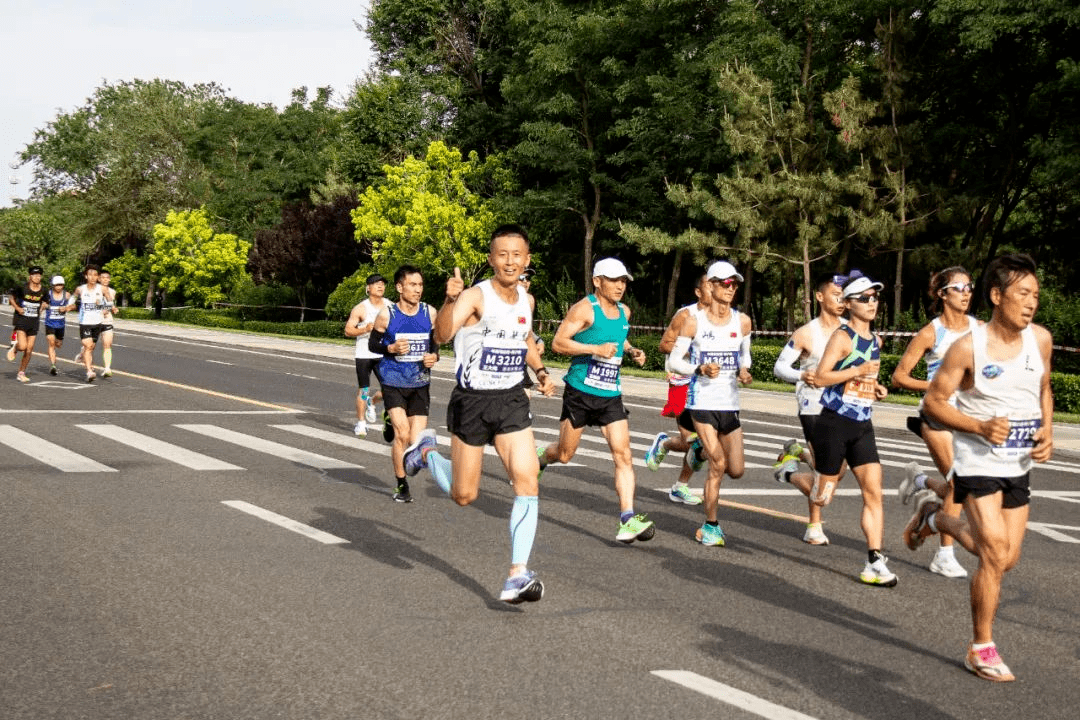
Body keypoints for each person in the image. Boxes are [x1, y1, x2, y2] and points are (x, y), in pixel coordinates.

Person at [903, 253, 1052, 682]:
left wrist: (1047, 431)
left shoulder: (1039, 340)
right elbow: (933, 402)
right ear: (996, 295)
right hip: (977, 460)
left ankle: (935, 516)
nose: (1031, 303)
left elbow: (1043, 388)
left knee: (1008, 558)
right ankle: (980, 647)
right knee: (992, 553)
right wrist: (979, 426)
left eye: (1036, 295)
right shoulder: (967, 347)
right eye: (1023, 293)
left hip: (1018, 462)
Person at [403, 224, 555, 604]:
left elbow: (525, 341)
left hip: (511, 399)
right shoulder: (474, 296)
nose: (509, 261)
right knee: (464, 495)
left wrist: (539, 371)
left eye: (516, 255)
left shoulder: (527, 300)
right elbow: (439, 337)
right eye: (502, 255)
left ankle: (517, 575)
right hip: (471, 401)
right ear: (491, 259)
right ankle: (425, 453)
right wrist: (450, 301)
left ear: (527, 260)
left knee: (528, 481)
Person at [536, 257, 655, 543]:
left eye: (624, 281)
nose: (620, 286)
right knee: (564, 455)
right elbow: (557, 342)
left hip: (610, 394)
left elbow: (619, 338)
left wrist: (632, 350)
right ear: (597, 281)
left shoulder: (625, 311)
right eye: (614, 280)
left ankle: (627, 517)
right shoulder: (584, 309)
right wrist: (594, 349)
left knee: (623, 454)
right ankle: (540, 459)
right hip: (580, 391)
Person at [891, 267, 980, 579]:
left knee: (967, 489)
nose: (967, 292)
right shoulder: (932, 332)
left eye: (969, 286)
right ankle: (944, 555)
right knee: (960, 482)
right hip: (936, 414)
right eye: (959, 287)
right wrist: (935, 388)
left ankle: (922, 487)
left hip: (969, 417)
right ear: (942, 294)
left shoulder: (979, 328)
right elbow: (899, 376)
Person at [810, 272, 894, 586]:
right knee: (822, 499)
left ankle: (874, 558)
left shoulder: (876, 340)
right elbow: (820, 377)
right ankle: (791, 469)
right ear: (848, 305)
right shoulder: (842, 338)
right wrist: (857, 370)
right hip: (834, 423)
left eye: (875, 298)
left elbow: (863, 382)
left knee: (873, 492)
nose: (872, 303)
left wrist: (876, 387)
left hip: (862, 424)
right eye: (864, 299)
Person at [664, 260, 753, 546]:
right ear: (711, 286)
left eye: (734, 284)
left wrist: (743, 370)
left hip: (729, 404)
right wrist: (699, 368)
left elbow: (745, 356)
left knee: (736, 470)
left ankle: (697, 452)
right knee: (719, 463)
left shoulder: (742, 321)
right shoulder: (694, 321)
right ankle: (710, 527)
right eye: (725, 283)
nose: (731, 288)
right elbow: (676, 360)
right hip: (702, 402)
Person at [771, 273, 849, 545]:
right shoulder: (806, 333)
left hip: (843, 407)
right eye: (835, 294)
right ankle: (814, 526)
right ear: (819, 296)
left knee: (837, 472)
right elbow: (779, 368)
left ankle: (791, 465)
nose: (841, 299)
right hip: (813, 405)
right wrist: (802, 376)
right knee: (824, 471)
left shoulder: (850, 330)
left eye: (844, 294)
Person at [367, 265, 439, 503]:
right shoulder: (387, 315)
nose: (418, 290)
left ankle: (387, 417)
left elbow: (435, 341)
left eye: (420, 285)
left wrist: (435, 356)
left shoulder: (430, 312)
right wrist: (390, 348)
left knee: (414, 442)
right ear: (400, 287)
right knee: (402, 435)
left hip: (420, 382)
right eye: (412, 285)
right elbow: (372, 345)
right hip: (393, 380)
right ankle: (401, 485)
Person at [644, 272, 712, 505]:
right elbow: (664, 344)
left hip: (707, 384)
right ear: (698, 291)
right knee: (696, 440)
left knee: (702, 442)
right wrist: (691, 347)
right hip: (683, 379)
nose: (714, 289)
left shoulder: (723, 320)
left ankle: (679, 485)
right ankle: (664, 446)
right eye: (709, 285)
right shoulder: (686, 315)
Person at [344, 274, 388, 437]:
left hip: (382, 354)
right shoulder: (361, 308)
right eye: (376, 284)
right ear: (368, 288)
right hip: (364, 354)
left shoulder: (390, 306)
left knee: (389, 389)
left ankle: (372, 401)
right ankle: (361, 423)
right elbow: (348, 330)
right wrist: (365, 329)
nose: (380, 286)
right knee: (364, 389)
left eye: (382, 284)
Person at [66, 265, 108, 383]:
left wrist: (107, 309)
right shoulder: (81, 289)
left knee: (91, 347)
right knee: (89, 346)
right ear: (86, 276)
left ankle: (82, 354)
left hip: (97, 322)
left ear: (98, 277)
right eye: (90, 275)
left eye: (95, 275)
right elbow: (73, 298)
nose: (93, 277)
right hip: (85, 322)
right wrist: (69, 305)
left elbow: (109, 302)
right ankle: (89, 371)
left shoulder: (102, 289)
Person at [7, 265, 47, 383]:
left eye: (39, 275)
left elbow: (46, 302)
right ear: (30, 276)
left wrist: (44, 306)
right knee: (23, 346)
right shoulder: (22, 287)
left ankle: (21, 372)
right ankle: (15, 347)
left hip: (34, 321)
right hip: (21, 320)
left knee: (29, 350)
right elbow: (11, 298)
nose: (37, 277)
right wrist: (18, 308)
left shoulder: (43, 290)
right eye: (34, 275)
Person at [43, 276, 71, 375]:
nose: (59, 287)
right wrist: (44, 306)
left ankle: (53, 353)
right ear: (53, 285)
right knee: (51, 343)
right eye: (57, 285)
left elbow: (74, 305)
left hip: (61, 324)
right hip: (49, 323)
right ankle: (53, 365)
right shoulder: (48, 295)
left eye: (61, 285)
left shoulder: (67, 295)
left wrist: (66, 308)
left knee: (58, 344)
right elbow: (42, 304)